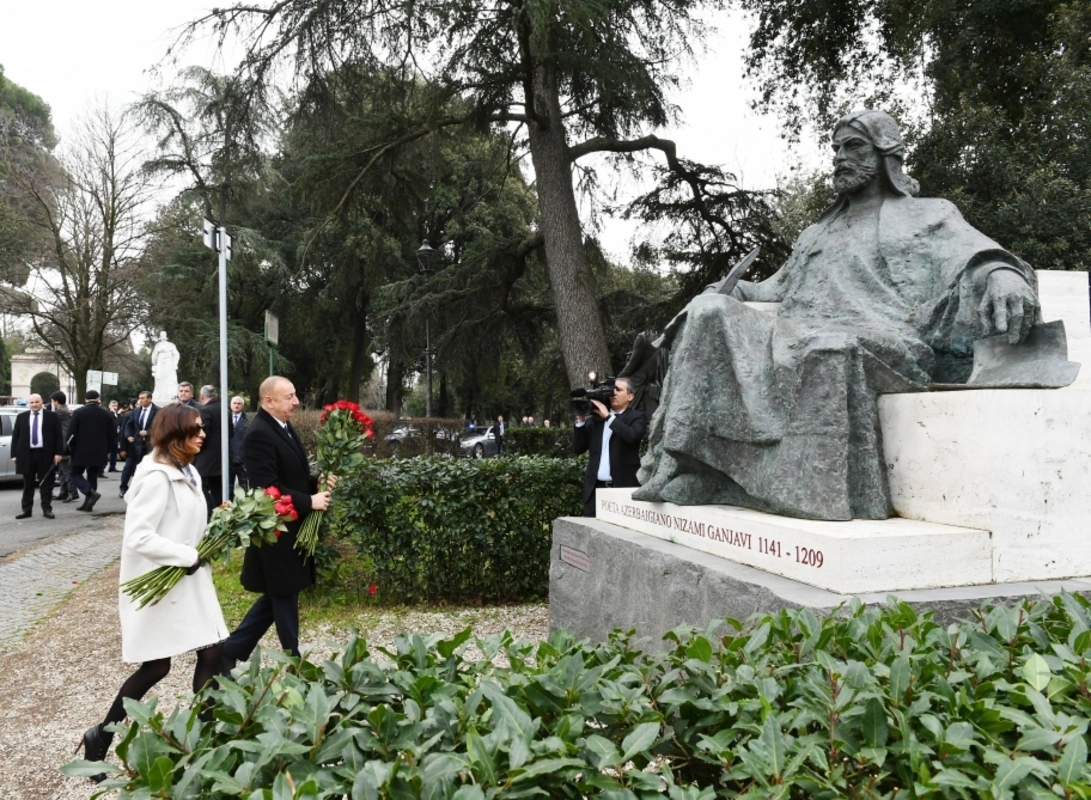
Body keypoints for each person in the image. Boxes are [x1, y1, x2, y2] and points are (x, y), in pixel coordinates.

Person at [635, 109, 1041, 521]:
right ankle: (695, 464)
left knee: (826, 350)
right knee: (708, 311)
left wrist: (1002, 276)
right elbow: (773, 288)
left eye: (853, 146)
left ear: (885, 154)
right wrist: (734, 289)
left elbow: (974, 254)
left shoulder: (930, 213)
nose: (840, 157)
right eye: (836, 149)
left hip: (887, 339)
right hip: (797, 330)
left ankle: (803, 494)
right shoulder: (817, 231)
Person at [78, 404, 227, 782]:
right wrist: (187, 555)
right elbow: (139, 536)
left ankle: (210, 747)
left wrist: (220, 524)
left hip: (187, 578)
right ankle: (101, 735)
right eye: (194, 430)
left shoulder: (187, 469)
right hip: (162, 585)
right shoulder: (156, 478)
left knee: (212, 651)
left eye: (202, 428)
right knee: (157, 666)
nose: (202, 435)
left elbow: (186, 523)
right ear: (173, 436)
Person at [220, 376, 332, 667]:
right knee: (283, 594)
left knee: (277, 595)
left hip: (290, 526)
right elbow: (266, 487)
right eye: (289, 397)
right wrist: (310, 501)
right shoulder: (259, 433)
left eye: (295, 395)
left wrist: (314, 483)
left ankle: (229, 652)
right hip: (277, 530)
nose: (296, 402)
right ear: (269, 400)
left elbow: (288, 477)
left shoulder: (281, 424)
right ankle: (293, 661)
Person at [573, 377, 648, 517]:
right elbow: (578, 449)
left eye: (618, 390)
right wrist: (581, 420)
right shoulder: (595, 421)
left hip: (623, 488)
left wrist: (608, 416)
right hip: (595, 490)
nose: (613, 393)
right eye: (612, 390)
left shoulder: (637, 417)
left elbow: (632, 436)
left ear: (630, 396)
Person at [11, 393, 63, 519]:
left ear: (42, 402)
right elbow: (16, 437)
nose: (34, 405)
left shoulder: (52, 416)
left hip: (45, 454)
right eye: (32, 402)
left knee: (46, 483)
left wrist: (58, 453)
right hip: (27, 455)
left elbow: (58, 436)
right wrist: (14, 454)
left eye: (36, 402)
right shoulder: (22, 417)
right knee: (28, 484)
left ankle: (46, 509)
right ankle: (26, 510)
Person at [67, 390, 115, 512]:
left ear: (85, 399)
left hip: (80, 449)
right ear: (98, 399)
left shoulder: (78, 413)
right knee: (92, 476)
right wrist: (107, 449)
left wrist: (67, 449)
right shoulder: (106, 414)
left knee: (75, 473)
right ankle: (88, 504)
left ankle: (90, 493)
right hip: (100, 450)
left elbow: (71, 433)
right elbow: (112, 434)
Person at [119, 392, 158, 497]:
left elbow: (160, 426)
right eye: (139, 398)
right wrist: (128, 436)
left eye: (143, 398)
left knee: (144, 467)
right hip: (135, 443)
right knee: (128, 467)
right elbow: (129, 425)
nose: (140, 400)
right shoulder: (136, 411)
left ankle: (141, 490)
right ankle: (123, 487)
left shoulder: (158, 411)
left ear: (150, 399)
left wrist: (148, 432)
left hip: (150, 444)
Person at [50, 391, 77, 504]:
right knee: (61, 470)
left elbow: (49, 418)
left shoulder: (60, 412)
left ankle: (72, 492)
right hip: (63, 443)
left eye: (52, 401)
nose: (52, 403)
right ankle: (64, 492)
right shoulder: (65, 410)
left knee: (66, 470)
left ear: (56, 401)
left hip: (64, 444)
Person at [150, 331, 180, 403]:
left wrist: (175, 363)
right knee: (159, 378)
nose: (163, 337)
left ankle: (170, 394)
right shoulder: (158, 346)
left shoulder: (171, 345)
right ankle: (159, 394)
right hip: (160, 364)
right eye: (161, 335)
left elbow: (176, 354)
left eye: (164, 335)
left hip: (169, 364)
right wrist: (154, 365)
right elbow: (154, 356)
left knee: (169, 378)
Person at [229, 395, 249, 491]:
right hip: (228, 459)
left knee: (244, 487)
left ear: (243, 406)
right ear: (230, 405)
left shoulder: (248, 420)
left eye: (239, 403)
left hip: (242, 459)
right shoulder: (224, 419)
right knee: (228, 487)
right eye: (234, 403)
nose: (236, 406)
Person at [107, 399, 121, 472]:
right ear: (109, 406)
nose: (114, 407)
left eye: (116, 405)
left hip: (116, 436)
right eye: (113, 405)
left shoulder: (118, 415)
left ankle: (112, 466)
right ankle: (101, 468)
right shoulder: (108, 414)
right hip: (109, 437)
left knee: (114, 452)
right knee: (106, 452)